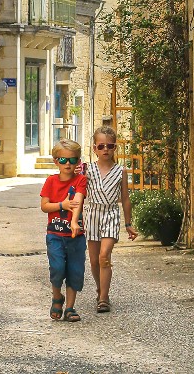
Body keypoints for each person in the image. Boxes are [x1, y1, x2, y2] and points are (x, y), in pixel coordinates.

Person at [71, 126, 137, 313]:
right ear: (94, 149)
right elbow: (77, 190)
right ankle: (100, 288)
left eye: (110, 146)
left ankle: (104, 298)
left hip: (110, 214)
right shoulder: (87, 170)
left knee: (104, 256)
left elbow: (125, 198)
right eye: (101, 146)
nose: (105, 149)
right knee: (93, 260)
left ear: (115, 147)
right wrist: (76, 174)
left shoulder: (120, 172)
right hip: (92, 214)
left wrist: (128, 224)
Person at [40, 139, 88, 322]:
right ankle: (56, 297)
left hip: (76, 236)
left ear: (78, 161)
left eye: (72, 160)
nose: (67, 164)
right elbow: (44, 206)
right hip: (55, 235)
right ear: (55, 161)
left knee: (75, 271)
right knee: (58, 268)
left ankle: (69, 307)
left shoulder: (81, 180)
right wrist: (62, 204)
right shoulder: (51, 181)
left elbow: (78, 201)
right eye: (63, 160)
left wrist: (75, 222)